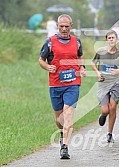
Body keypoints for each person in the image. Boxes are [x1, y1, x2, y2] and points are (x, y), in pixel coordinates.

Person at [39, 14, 87, 159]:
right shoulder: (49, 42)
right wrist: (48, 67)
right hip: (55, 84)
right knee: (59, 120)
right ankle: (62, 133)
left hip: (73, 83)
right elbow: (41, 60)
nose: (64, 29)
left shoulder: (76, 41)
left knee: (68, 114)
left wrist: (82, 67)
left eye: (67, 26)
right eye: (62, 26)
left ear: (71, 26)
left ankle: (65, 147)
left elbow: (80, 56)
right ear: (57, 27)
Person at [91, 30, 119, 142]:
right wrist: (98, 73)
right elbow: (93, 63)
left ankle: (109, 134)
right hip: (103, 83)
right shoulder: (101, 51)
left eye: (113, 38)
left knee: (113, 107)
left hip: (116, 82)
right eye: (109, 38)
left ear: (116, 40)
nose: (111, 40)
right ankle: (103, 115)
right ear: (107, 40)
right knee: (105, 110)